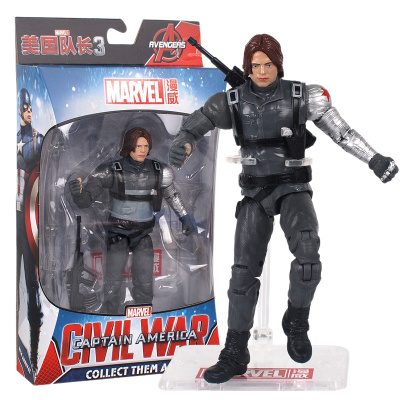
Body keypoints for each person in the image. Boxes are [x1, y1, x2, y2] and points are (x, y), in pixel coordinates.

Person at [169, 34, 398, 384]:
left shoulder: (302, 96)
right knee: (242, 273)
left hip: (292, 188)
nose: (262, 71)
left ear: (279, 65)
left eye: (268, 64)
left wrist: (374, 159)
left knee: (308, 252)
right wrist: (183, 144)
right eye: (255, 66)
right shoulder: (233, 101)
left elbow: (343, 134)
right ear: (247, 68)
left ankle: (296, 320)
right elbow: (195, 124)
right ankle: (235, 350)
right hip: (254, 193)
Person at [69, 127, 195, 313]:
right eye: (138, 146)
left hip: (143, 233)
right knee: (112, 283)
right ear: (129, 146)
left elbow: (172, 195)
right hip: (117, 234)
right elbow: (86, 200)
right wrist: (77, 194)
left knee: (145, 281)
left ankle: (144, 314)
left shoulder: (158, 171)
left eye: (146, 146)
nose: (143, 150)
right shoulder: (111, 170)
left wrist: (184, 217)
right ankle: (110, 314)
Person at [17, 88, 44, 377]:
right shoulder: (16, 139)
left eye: (30, 108)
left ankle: (36, 350)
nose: (28, 111)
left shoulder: (39, 139)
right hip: (15, 216)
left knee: (32, 281)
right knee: (21, 282)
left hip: (32, 213)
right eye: (24, 107)